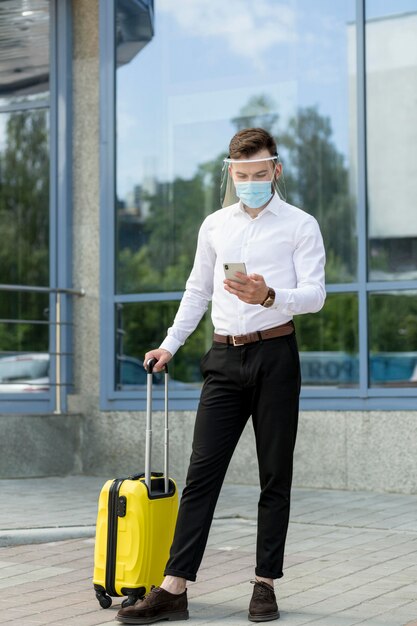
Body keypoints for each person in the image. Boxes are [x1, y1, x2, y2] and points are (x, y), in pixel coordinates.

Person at [117, 127, 326, 624]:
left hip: (275, 356)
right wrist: (169, 345)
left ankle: (264, 584)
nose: (250, 182)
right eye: (242, 175)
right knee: (201, 475)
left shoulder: (300, 225)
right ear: (230, 172)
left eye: (259, 174)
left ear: (276, 169)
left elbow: (315, 294)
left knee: (275, 474)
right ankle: (174, 588)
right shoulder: (214, 225)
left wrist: (270, 296)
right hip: (224, 359)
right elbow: (197, 290)